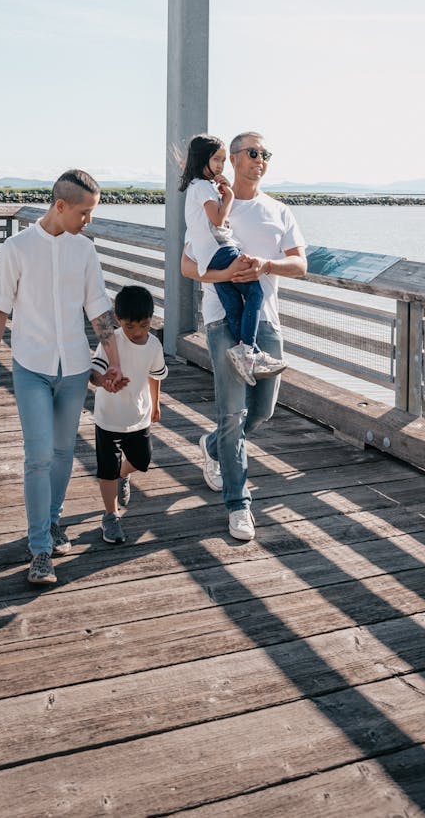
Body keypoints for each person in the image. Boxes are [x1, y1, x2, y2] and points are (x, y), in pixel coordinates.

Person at [0, 168, 125, 587]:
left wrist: (114, 362)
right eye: (84, 212)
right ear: (60, 206)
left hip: (75, 368)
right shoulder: (16, 248)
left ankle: (54, 521)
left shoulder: (85, 251)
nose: (88, 221)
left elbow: (99, 309)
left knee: (62, 453)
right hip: (31, 367)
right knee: (38, 455)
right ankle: (40, 549)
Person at [181, 132, 306, 542]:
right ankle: (238, 504)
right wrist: (227, 275)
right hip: (221, 319)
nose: (261, 159)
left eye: (266, 154)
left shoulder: (278, 210)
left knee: (263, 410)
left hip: (267, 319)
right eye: (253, 153)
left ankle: (214, 447)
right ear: (232, 159)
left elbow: (300, 264)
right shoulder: (210, 201)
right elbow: (187, 265)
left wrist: (265, 266)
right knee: (232, 414)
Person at [180, 133, 286, 385]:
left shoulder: (194, 188)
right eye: (216, 160)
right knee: (255, 294)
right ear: (202, 159)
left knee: (234, 306)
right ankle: (249, 350)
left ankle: (248, 354)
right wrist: (227, 199)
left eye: (222, 160)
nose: (220, 166)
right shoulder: (204, 187)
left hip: (208, 258)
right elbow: (217, 219)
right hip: (221, 250)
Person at [90, 285, 168, 545]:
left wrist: (156, 404)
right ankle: (110, 515)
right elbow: (94, 372)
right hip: (108, 416)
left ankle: (125, 474)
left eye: (144, 326)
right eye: (130, 326)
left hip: (139, 415)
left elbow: (155, 376)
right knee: (106, 468)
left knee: (142, 459)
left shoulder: (154, 345)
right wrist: (103, 380)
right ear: (118, 320)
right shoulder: (111, 341)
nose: (137, 333)